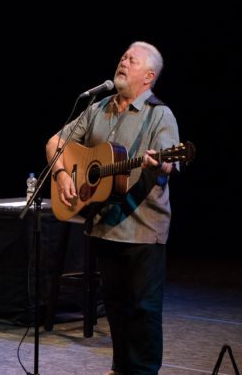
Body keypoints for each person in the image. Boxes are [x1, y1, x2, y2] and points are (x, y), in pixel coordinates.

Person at [46, 41, 180, 374]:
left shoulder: (159, 114)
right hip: (105, 224)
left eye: (131, 61)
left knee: (143, 310)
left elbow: (168, 163)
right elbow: (55, 142)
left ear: (148, 77)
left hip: (142, 229)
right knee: (117, 308)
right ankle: (121, 368)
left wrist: (159, 163)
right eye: (122, 57)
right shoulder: (98, 107)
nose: (122, 62)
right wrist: (63, 175)